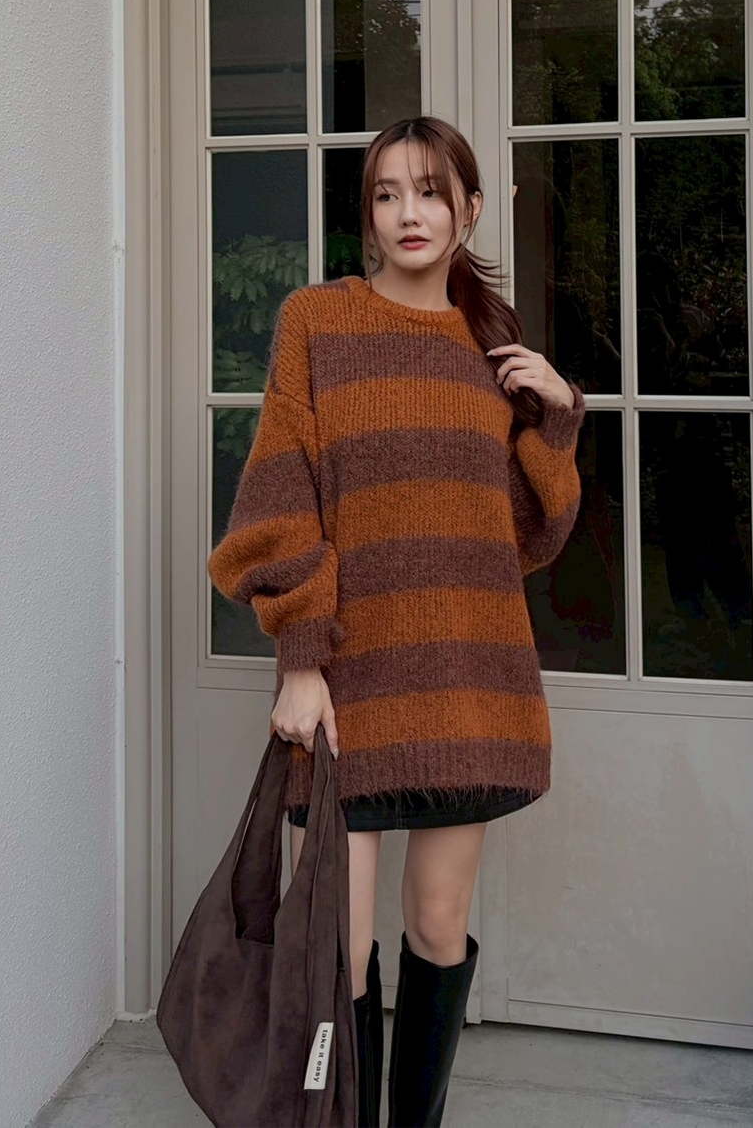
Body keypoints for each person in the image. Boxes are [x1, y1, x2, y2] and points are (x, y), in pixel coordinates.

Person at [208, 115, 586, 1127]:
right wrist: (300, 658)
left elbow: (521, 536)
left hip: (468, 679)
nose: (407, 213)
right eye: (386, 193)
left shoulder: (490, 347)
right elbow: (281, 496)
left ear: (469, 207)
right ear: (368, 212)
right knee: (337, 945)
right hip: (344, 681)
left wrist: (555, 417)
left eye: (429, 191)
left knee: (437, 924)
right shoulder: (317, 323)